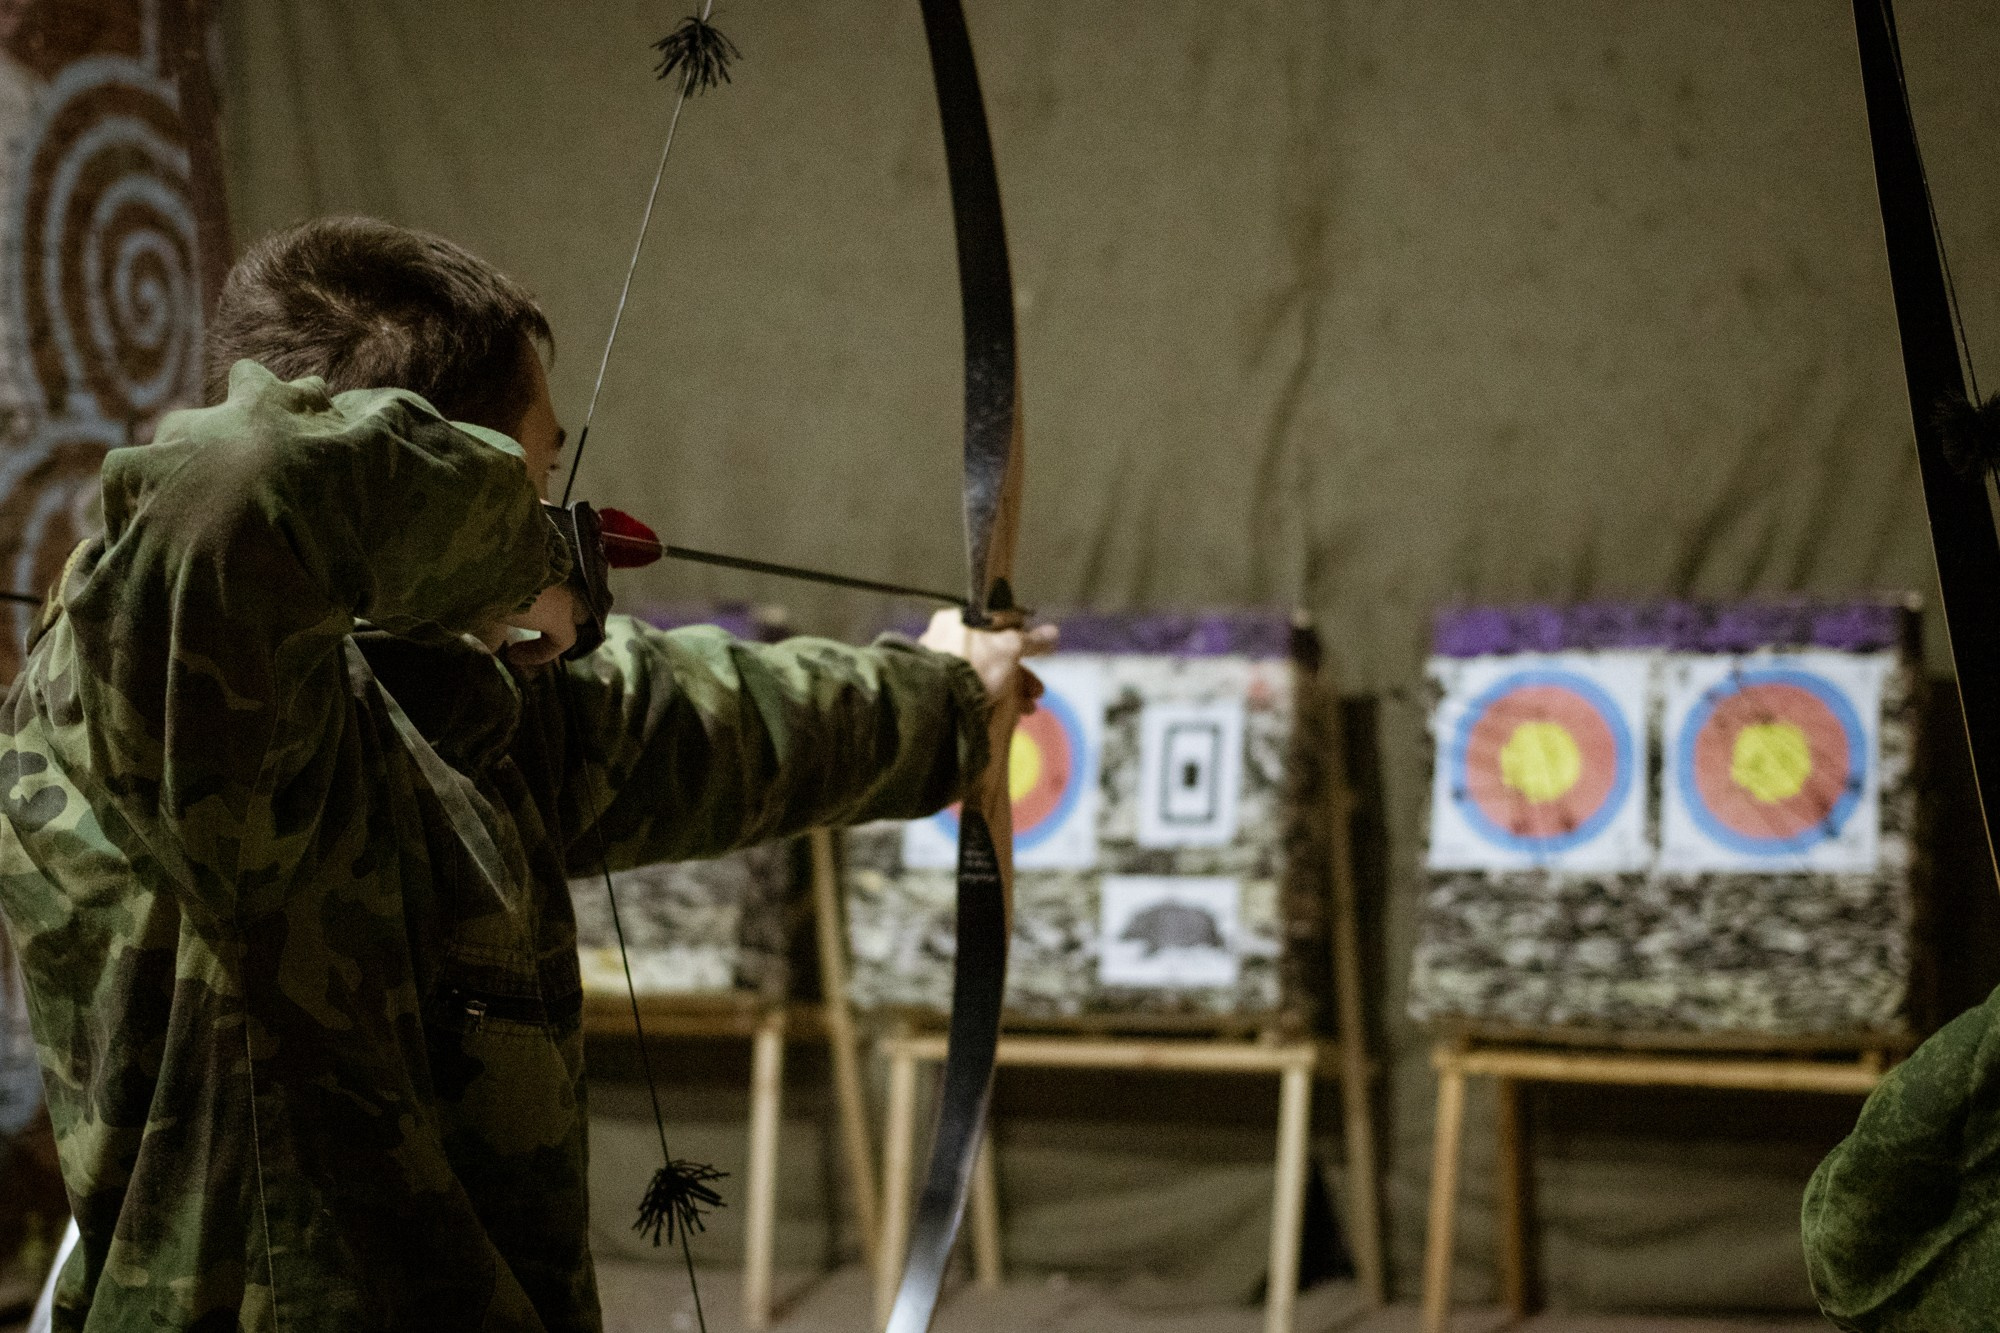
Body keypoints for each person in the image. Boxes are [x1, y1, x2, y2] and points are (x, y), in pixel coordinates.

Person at [0, 216, 1050, 1333]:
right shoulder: (172, 718)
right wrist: (532, 553)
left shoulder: (463, 709)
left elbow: (706, 724)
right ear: (447, 487)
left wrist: (948, 701)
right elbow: (232, 477)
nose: (555, 515)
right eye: (535, 477)